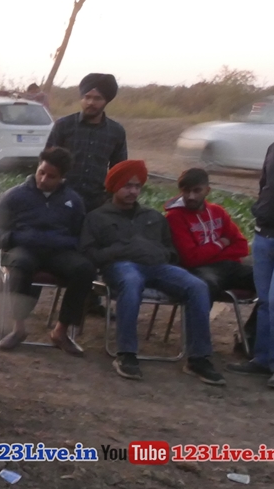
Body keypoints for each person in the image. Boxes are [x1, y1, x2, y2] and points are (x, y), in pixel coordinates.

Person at [79, 159, 225, 385]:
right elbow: (89, 254)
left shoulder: (153, 217)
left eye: (137, 186)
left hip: (158, 267)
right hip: (121, 266)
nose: (133, 191)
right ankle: (126, 353)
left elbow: (171, 251)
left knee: (197, 286)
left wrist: (158, 254)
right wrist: (122, 250)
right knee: (131, 282)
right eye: (127, 186)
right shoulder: (97, 217)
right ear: (114, 187)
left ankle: (198, 359)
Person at [0, 146, 95, 355]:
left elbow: (82, 236)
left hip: (59, 252)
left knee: (84, 270)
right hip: (24, 248)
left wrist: (65, 242)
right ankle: (18, 328)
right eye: (41, 172)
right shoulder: (14, 196)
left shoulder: (73, 201)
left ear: (62, 177)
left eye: (51, 176)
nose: (43, 179)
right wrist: (14, 238)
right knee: (21, 264)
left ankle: (61, 331)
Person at [227, 140, 274, 389]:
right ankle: (262, 359)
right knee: (266, 302)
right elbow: (264, 184)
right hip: (264, 235)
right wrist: (260, 210)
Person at [164, 167, 254, 301]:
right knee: (205, 286)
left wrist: (208, 253)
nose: (191, 196)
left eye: (197, 191)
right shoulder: (175, 217)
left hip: (229, 266)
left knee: (268, 279)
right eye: (186, 191)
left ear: (207, 190)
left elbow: (242, 246)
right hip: (201, 270)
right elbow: (191, 259)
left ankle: (259, 316)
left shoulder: (218, 211)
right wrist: (221, 243)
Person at [47, 73, 128, 212]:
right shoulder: (64, 125)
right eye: (87, 97)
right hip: (61, 199)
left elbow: (119, 170)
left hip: (97, 203)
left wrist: (109, 198)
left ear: (106, 101)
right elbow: (48, 162)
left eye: (97, 98)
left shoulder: (116, 131)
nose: (90, 102)